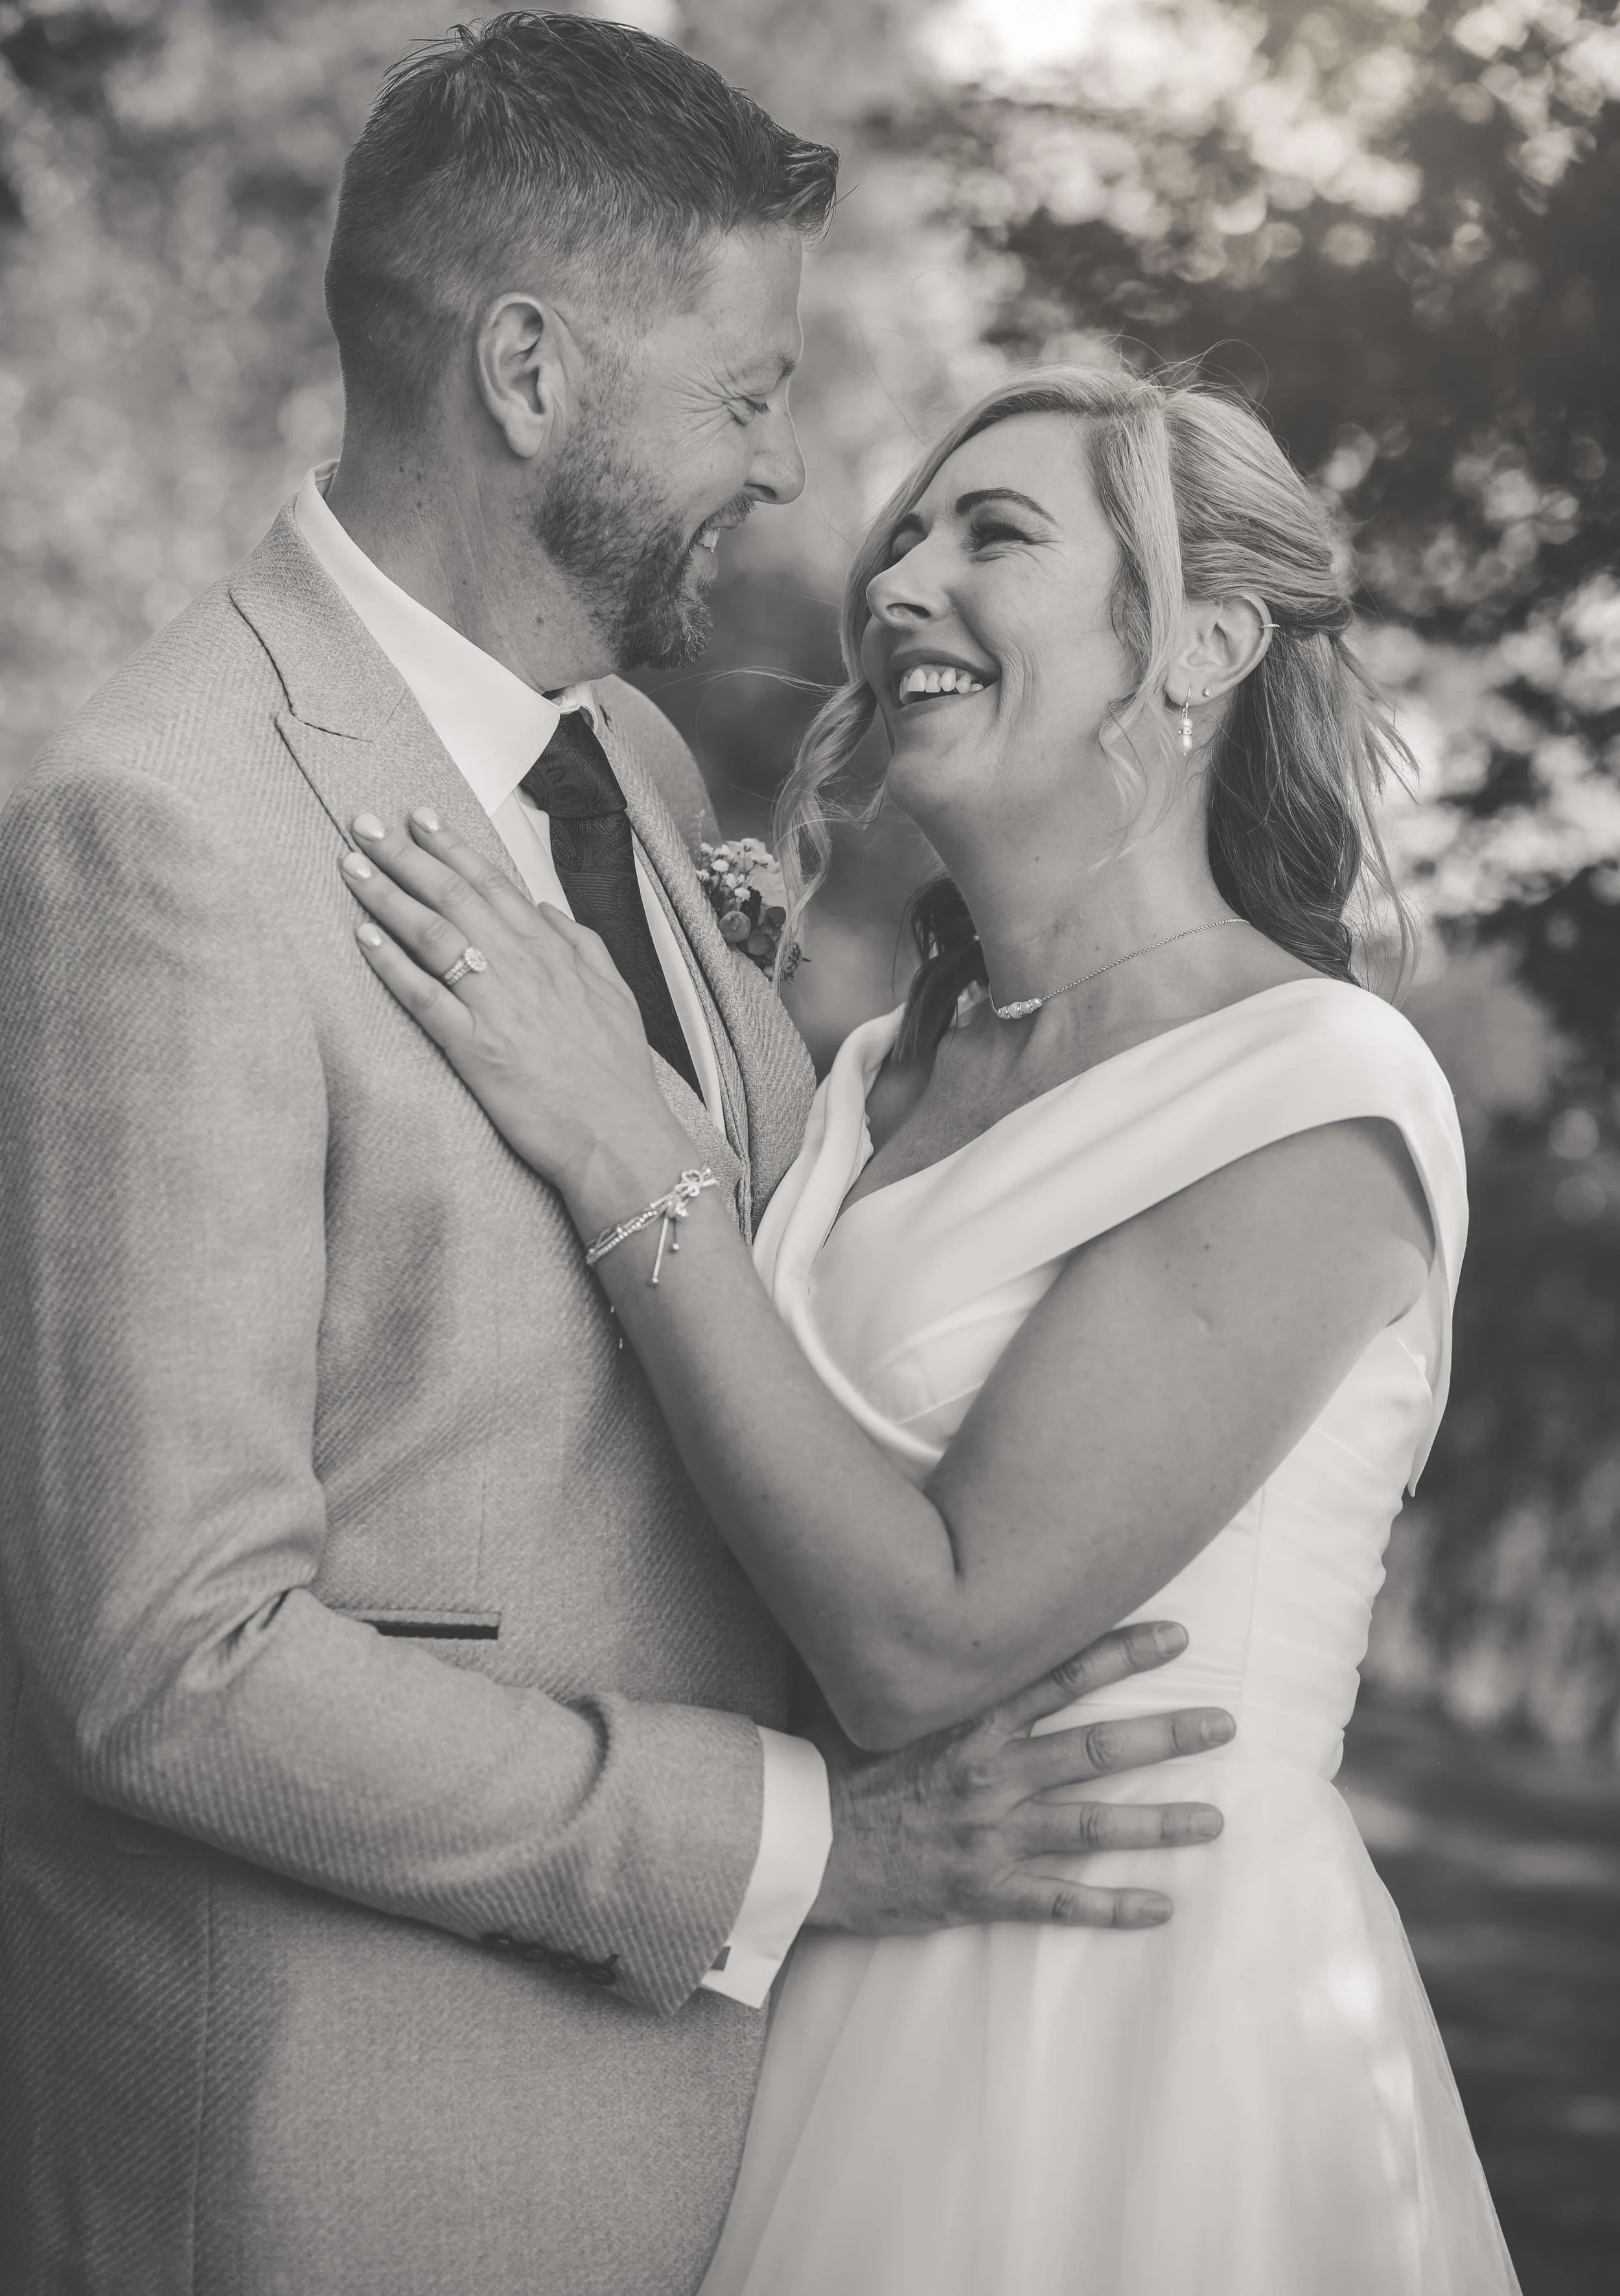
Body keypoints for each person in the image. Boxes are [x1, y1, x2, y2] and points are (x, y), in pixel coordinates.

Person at [0, 24, 1229, 2296]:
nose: (786, 475)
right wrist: (790, 1846)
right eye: (746, 392)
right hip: (345, 2171)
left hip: (723, 2157)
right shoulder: (159, 828)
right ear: (534, 373)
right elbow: (167, 1656)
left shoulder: (631, 778)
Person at [337, 364, 1523, 2294]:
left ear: (1205, 638)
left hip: (1121, 2042)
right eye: (902, 534)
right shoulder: (882, 1063)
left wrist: (620, 1147)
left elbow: (924, 1631)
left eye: (998, 533)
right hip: (815, 1974)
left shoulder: (1308, 1089)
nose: (899, 581)